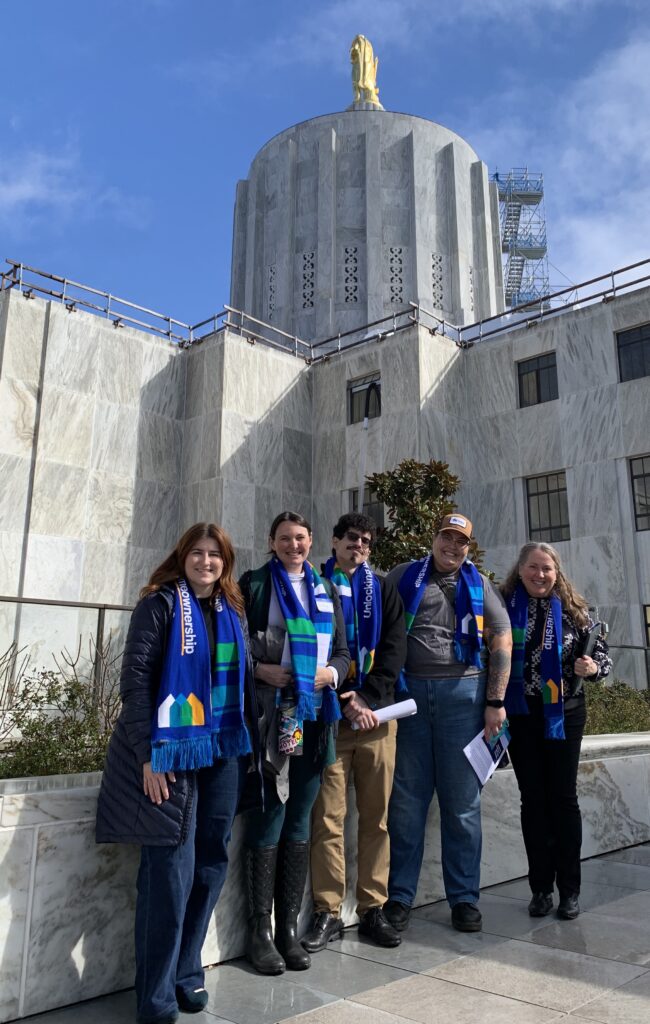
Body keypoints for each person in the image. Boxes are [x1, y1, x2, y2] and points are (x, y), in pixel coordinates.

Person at [96, 523, 259, 1024]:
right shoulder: (161, 604)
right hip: (170, 754)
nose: (206, 561)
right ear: (182, 556)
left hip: (223, 752)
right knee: (169, 872)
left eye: (215, 554)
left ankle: (188, 971)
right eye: (197, 552)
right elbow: (135, 683)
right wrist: (149, 754)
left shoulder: (232, 609)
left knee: (210, 862)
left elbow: (244, 679)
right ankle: (156, 996)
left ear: (225, 562)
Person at [383, 513, 513, 934]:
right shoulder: (403, 576)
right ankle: (400, 896)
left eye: (461, 542)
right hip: (410, 699)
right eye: (446, 537)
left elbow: (502, 638)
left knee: (462, 806)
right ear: (433, 537)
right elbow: (376, 625)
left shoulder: (479, 584)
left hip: (465, 698)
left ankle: (464, 899)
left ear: (468, 548)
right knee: (406, 804)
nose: (452, 547)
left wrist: (495, 700)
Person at [238, 511, 350, 976]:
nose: (293, 545)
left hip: (315, 716)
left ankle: (288, 927)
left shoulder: (324, 588)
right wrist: (259, 670)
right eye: (284, 538)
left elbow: (344, 652)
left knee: (301, 815)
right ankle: (259, 933)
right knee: (269, 814)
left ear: (310, 542)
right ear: (271, 541)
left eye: (300, 538)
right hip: (272, 716)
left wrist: (332, 674)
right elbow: (235, 640)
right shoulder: (255, 584)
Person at [302, 513, 407, 953]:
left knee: (376, 819)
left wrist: (367, 698)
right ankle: (327, 911)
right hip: (330, 718)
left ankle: (371, 908)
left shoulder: (383, 588)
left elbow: (395, 647)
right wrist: (344, 698)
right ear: (334, 540)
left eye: (365, 540)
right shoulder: (313, 585)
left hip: (377, 719)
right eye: (351, 538)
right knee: (327, 817)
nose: (358, 545)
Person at [501, 542, 612, 921]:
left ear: (556, 572)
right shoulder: (503, 607)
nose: (540, 575)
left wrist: (592, 669)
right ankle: (540, 890)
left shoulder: (574, 614)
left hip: (564, 715)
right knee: (532, 800)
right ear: (520, 569)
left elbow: (603, 657)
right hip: (520, 715)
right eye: (533, 567)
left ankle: (570, 891)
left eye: (547, 568)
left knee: (563, 800)